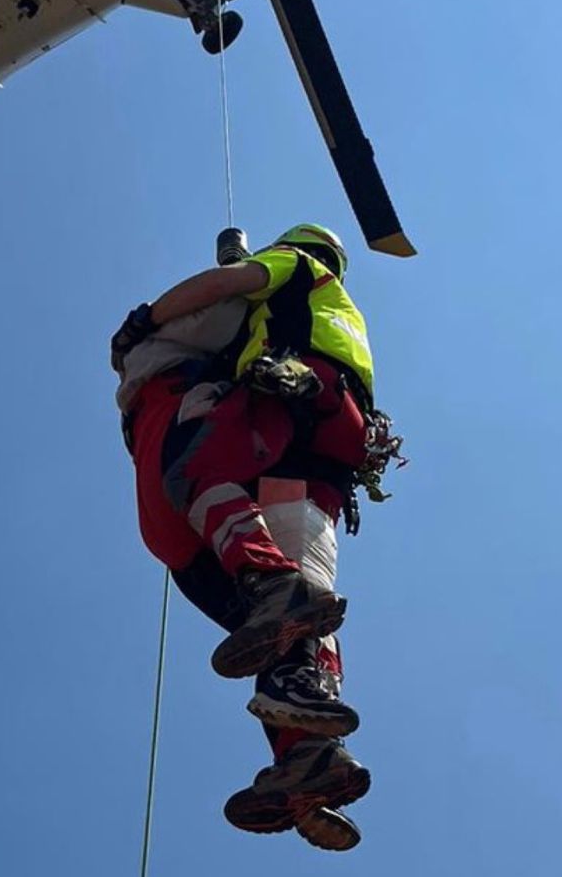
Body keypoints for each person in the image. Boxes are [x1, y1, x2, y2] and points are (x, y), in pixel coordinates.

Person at [112, 223, 401, 850]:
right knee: (291, 614)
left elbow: (227, 285)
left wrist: (144, 319)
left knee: (202, 476)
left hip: (292, 399)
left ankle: (271, 588)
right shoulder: (346, 316)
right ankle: (313, 756)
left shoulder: (295, 269)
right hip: (328, 449)